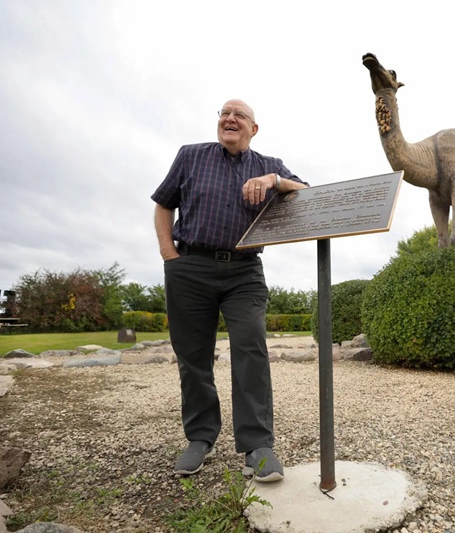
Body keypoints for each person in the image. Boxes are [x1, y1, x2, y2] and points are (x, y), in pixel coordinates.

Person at [151, 99, 309, 481]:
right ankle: (200, 439)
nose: (230, 118)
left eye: (239, 115)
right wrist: (170, 255)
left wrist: (273, 181)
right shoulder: (191, 156)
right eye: (224, 113)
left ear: (254, 129)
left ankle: (257, 446)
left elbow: (305, 191)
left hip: (244, 271)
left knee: (250, 348)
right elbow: (162, 205)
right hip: (190, 266)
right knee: (193, 357)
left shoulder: (267, 164)